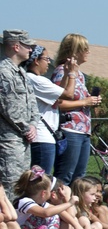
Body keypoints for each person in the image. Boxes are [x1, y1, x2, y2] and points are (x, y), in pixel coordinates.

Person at [50, 34, 101, 186]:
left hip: (84, 129)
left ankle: (75, 208)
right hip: (70, 129)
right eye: (85, 49)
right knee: (66, 174)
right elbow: (57, 102)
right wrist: (84, 101)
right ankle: (59, 207)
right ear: (75, 51)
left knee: (79, 177)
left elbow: (79, 100)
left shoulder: (80, 76)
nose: (88, 52)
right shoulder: (62, 71)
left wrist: (91, 101)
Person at [0, 30, 42, 192]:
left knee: (22, 185)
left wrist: (33, 124)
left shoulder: (21, 73)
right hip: (8, 141)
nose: (31, 50)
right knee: (11, 185)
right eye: (28, 46)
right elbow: (7, 106)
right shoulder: (4, 72)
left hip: (23, 139)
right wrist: (26, 128)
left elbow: (32, 104)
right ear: (16, 47)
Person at [24, 45, 76, 175]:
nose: (48, 62)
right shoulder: (37, 80)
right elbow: (69, 94)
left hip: (43, 137)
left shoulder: (30, 79)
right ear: (36, 60)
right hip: (42, 138)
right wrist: (72, 73)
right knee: (41, 180)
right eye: (46, 59)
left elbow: (57, 96)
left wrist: (64, 75)